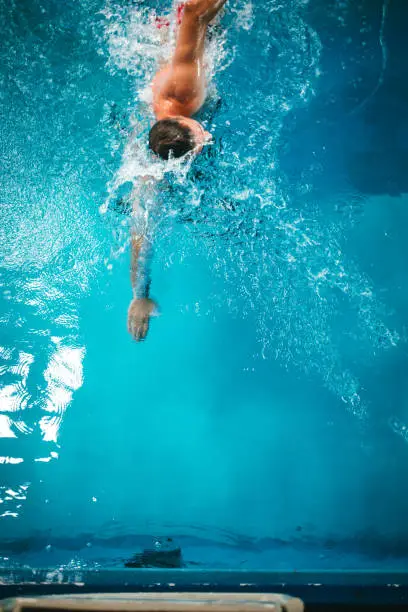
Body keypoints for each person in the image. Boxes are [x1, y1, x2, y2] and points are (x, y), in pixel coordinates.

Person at [127, 0, 227, 341]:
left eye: (198, 138)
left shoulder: (185, 90)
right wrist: (139, 295)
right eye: (199, 143)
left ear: (183, 122)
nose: (206, 137)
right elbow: (139, 233)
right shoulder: (151, 168)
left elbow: (195, 16)